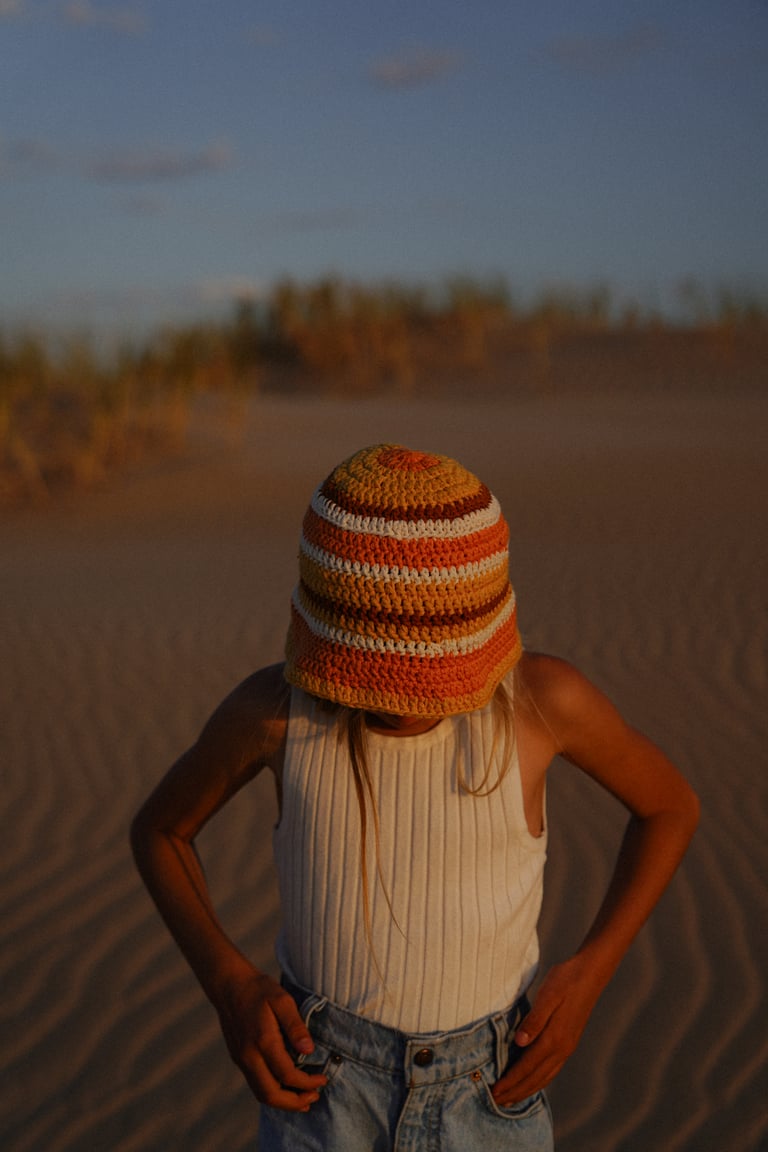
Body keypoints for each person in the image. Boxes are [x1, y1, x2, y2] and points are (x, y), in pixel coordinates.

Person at [131, 444, 699, 1151]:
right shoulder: (276, 713)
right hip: (323, 1097)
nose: (397, 699)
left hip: (486, 1095)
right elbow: (160, 830)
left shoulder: (539, 704)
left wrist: (590, 972)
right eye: (370, 674)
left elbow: (669, 807)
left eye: (424, 679)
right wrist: (228, 983)